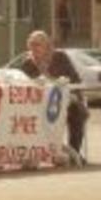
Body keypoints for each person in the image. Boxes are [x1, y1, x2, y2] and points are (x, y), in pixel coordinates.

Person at [19, 30, 88, 158]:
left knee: (78, 113)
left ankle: (74, 153)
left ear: (46, 46)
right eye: (31, 45)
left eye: (38, 44)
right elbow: (19, 82)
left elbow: (75, 80)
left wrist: (60, 83)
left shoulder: (60, 57)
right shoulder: (27, 63)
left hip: (64, 101)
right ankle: (32, 154)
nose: (34, 48)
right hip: (37, 105)